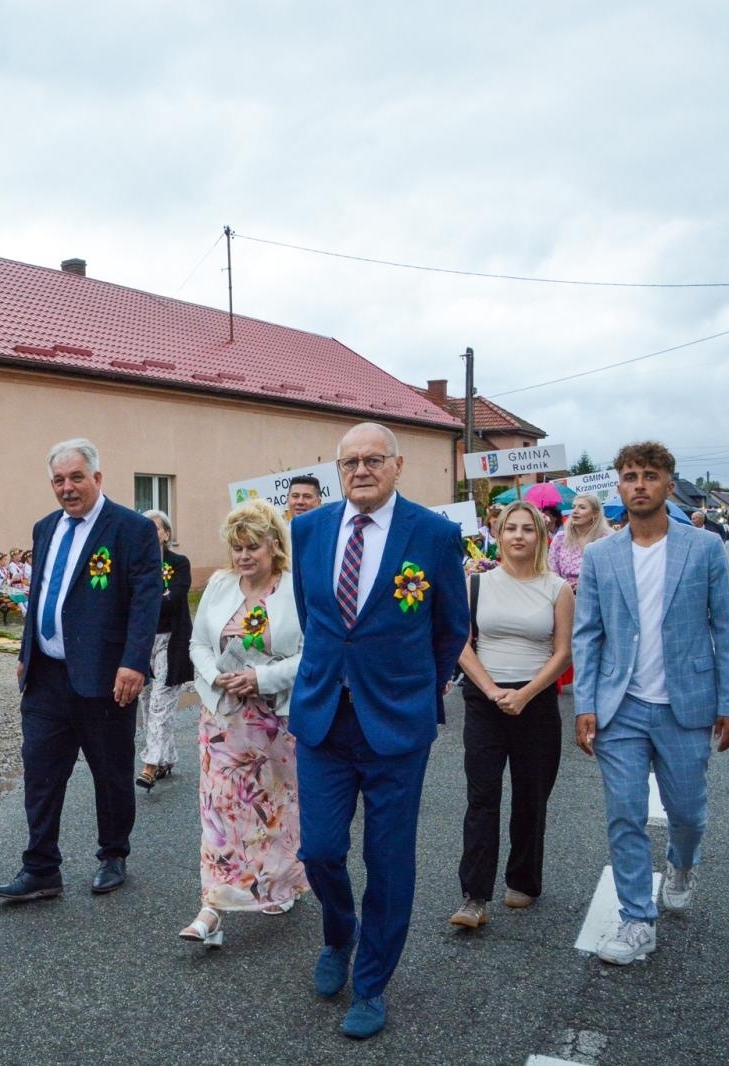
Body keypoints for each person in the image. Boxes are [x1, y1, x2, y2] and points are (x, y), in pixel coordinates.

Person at [289, 422, 468, 1039]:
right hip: (323, 717)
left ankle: (371, 983)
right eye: (350, 462)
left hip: (396, 724)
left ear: (397, 465)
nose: (361, 470)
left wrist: (421, 688)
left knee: (387, 861)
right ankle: (340, 933)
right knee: (319, 849)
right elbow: (314, 617)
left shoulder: (435, 535)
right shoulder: (309, 529)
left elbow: (451, 626)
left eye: (373, 460)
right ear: (338, 469)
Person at [573, 441, 729, 966]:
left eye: (650, 475)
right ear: (619, 487)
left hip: (686, 705)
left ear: (669, 485)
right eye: (630, 476)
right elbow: (588, 634)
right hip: (620, 705)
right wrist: (585, 703)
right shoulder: (601, 554)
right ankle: (636, 921)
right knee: (625, 813)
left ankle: (682, 863)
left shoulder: (704, 548)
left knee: (687, 813)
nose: (640, 484)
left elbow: (726, 629)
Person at [0, 439, 162, 901]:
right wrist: (26, 651)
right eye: (59, 480)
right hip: (46, 676)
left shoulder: (131, 529)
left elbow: (146, 602)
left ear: (97, 478)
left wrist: (134, 662)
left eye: (76, 478)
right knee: (40, 772)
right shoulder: (46, 527)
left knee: (110, 771)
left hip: (106, 675)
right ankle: (41, 867)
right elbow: (41, 595)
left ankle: (113, 854)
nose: (67, 488)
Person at [179, 500, 310, 947]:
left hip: (274, 721)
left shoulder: (294, 589)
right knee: (220, 810)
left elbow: (311, 653)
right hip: (223, 719)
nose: (244, 556)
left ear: (274, 545)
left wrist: (260, 678)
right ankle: (212, 906)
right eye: (237, 548)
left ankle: (277, 885)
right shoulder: (220, 585)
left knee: (273, 809)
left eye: (253, 546)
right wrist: (215, 676)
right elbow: (197, 643)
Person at [449, 501, 573, 928]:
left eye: (528, 529)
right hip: (485, 698)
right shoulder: (476, 584)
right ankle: (474, 896)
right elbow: (461, 644)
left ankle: (523, 879)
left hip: (535, 701)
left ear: (542, 536)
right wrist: (490, 690)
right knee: (482, 796)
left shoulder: (558, 588)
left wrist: (526, 694)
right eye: (510, 528)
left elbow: (563, 652)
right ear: (498, 535)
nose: (518, 536)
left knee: (530, 796)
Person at [136, 509, 193, 790]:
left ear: (166, 534)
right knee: (148, 703)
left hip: (171, 641)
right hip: (143, 641)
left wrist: (144, 601)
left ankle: (150, 765)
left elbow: (174, 598)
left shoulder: (178, 563)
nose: (148, 532)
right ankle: (166, 758)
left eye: (154, 527)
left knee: (161, 702)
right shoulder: (136, 563)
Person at [549, 492, 612, 592]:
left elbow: (612, 573)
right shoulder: (560, 538)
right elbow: (552, 571)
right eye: (574, 507)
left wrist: (586, 585)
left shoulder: (607, 539)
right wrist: (564, 587)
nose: (575, 511)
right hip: (565, 594)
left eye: (582, 507)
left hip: (598, 593)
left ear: (595, 513)